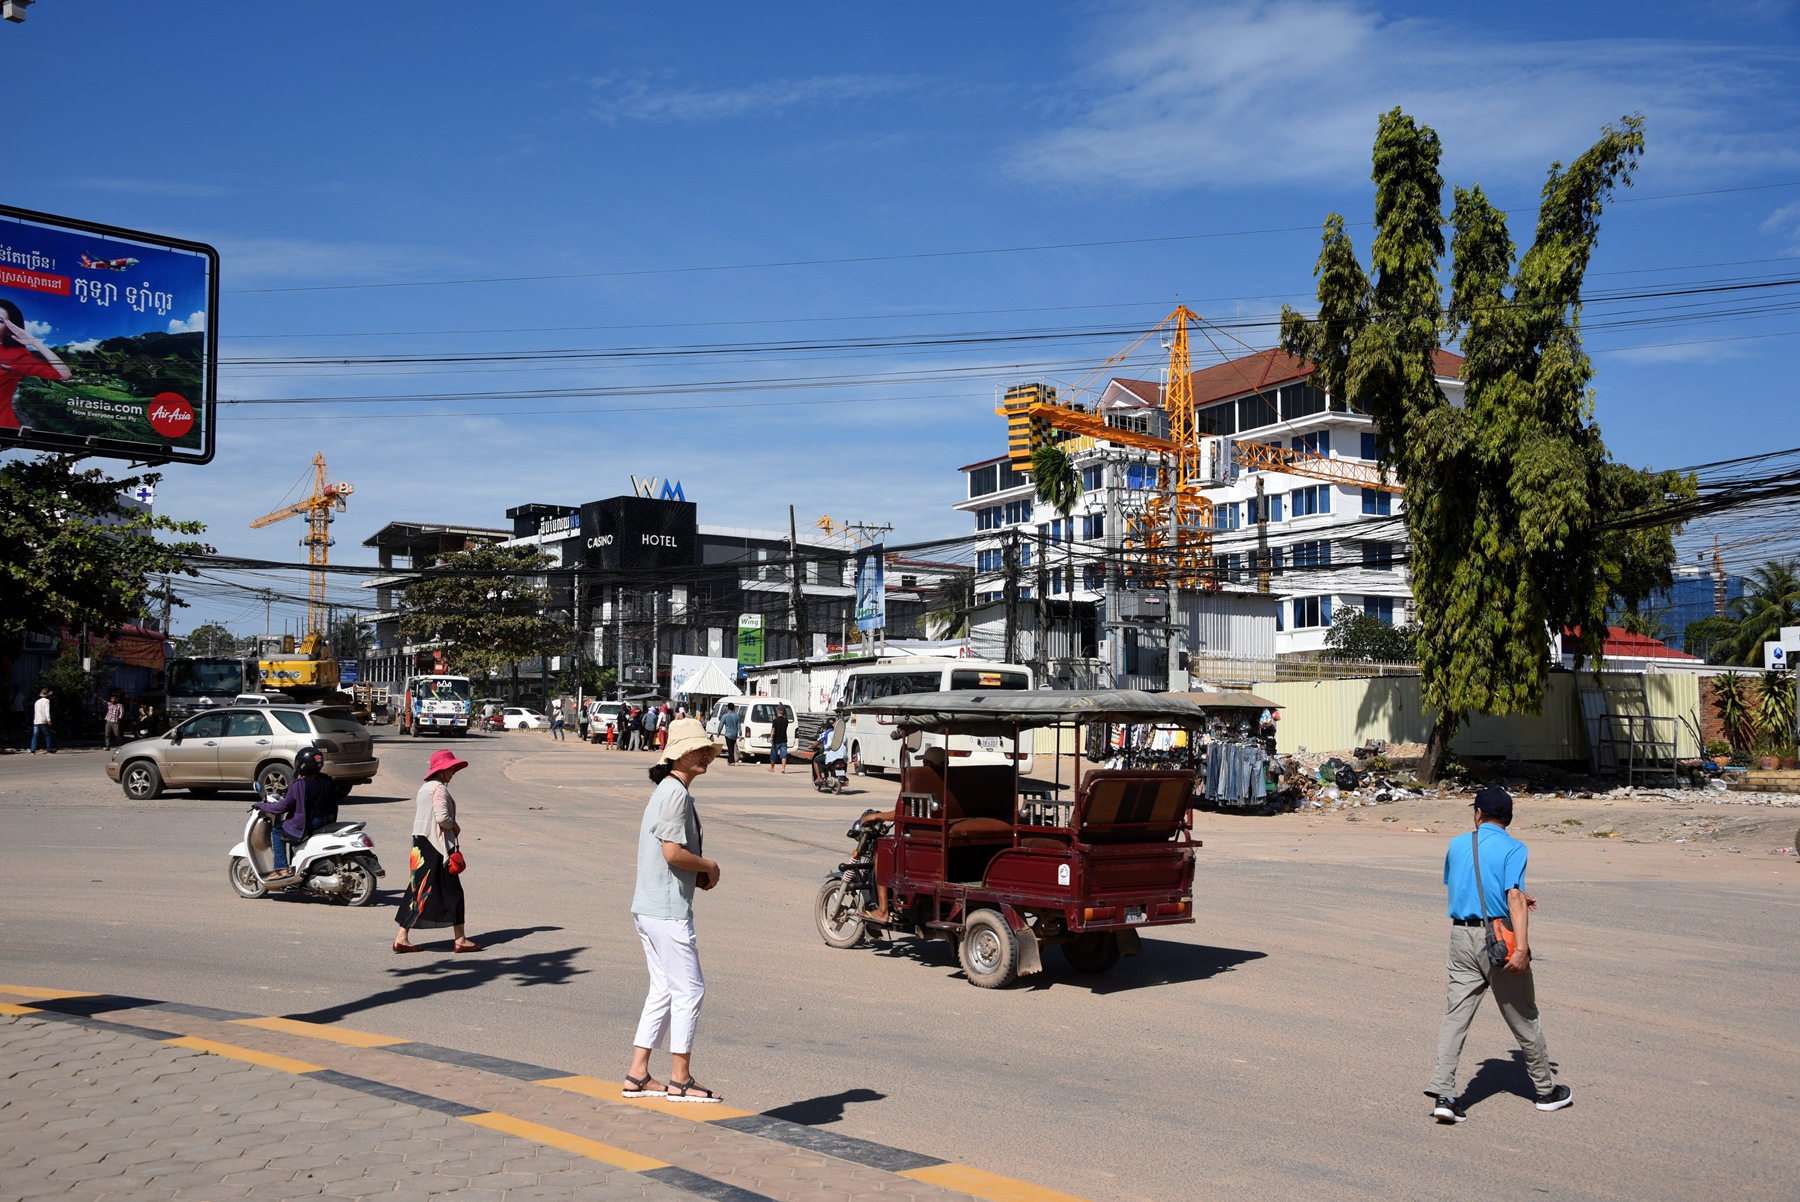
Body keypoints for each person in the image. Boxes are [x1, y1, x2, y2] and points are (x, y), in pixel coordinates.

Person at [1426, 786, 1571, 1123]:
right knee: (1523, 1016)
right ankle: (1546, 1091)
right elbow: (1514, 898)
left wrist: (1511, 896)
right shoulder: (1514, 848)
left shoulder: (1458, 844)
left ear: (1478, 813)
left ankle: (1444, 1094)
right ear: (1508, 817)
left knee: (1456, 1016)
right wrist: (1521, 949)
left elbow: (1463, 884)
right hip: (1499, 942)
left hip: (1461, 936)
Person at [624, 718, 724, 1104]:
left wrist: (694, 870)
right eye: (697, 749)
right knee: (690, 989)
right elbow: (671, 852)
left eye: (705, 749)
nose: (704, 755)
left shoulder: (669, 789)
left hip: (650, 906)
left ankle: (637, 1074)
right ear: (678, 755)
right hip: (665, 910)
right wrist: (708, 866)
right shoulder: (675, 793)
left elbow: (668, 854)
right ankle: (680, 1078)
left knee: (664, 989)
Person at [394, 749, 482, 954]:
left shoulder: (424, 788)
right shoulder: (439, 789)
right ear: (442, 770)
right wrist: (455, 826)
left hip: (421, 844)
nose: (453, 772)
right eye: (451, 769)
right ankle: (460, 940)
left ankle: (402, 937)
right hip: (435, 847)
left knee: (417, 891)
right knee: (453, 893)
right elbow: (442, 818)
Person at [255, 746, 340, 884]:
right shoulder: (327, 780)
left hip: (311, 823)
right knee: (289, 830)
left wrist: (261, 805)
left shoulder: (300, 784)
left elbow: (282, 808)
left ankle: (281, 868)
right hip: (327, 821)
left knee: (278, 830)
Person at [0, 298, 73, 431]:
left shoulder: (16, 355)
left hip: (3, 433)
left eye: (0, 320)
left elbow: (64, 374)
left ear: (10, 329)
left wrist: (34, 342)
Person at [808, 718, 847, 784]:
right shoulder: (842, 734)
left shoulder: (825, 733)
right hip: (842, 755)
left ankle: (821, 777)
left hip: (830, 755)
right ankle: (843, 775)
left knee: (817, 760)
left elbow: (817, 742)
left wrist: (811, 747)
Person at [29, 688, 53, 753]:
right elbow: (46, 711)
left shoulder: (37, 702)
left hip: (36, 720)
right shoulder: (47, 701)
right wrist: (49, 720)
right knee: (47, 734)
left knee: (35, 735)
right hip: (43, 720)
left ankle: (33, 749)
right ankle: (49, 748)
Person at [767, 705, 789, 774]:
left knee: (773, 755)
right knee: (784, 755)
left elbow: (773, 730)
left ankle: (772, 768)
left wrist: (771, 737)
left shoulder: (775, 721)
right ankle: (783, 769)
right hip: (784, 740)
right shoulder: (786, 721)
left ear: (779, 712)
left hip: (776, 741)